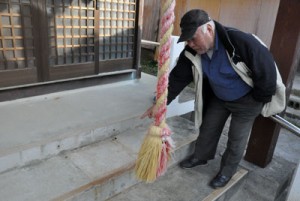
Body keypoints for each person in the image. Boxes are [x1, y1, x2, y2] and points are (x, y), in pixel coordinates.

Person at [141, 9, 283, 188]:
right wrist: (160, 104)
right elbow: (177, 78)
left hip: (247, 101)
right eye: (188, 40)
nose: (190, 44)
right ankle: (201, 157)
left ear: (208, 29)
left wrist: (257, 100)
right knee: (208, 128)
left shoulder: (240, 41)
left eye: (193, 38)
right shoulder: (192, 51)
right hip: (220, 97)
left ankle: (226, 172)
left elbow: (267, 72)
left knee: (236, 139)